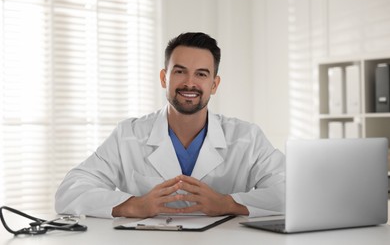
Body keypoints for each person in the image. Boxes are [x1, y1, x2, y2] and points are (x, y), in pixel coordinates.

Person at [55, 32, 285, 219]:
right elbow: (70, 191)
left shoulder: (247, 137)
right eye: (180, 71)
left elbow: (291, 192)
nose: (189, 83)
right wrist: (132, 205)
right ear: (164, 78)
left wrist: (228, 203)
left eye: (201, 74)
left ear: (214, 84)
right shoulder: (129, 135)